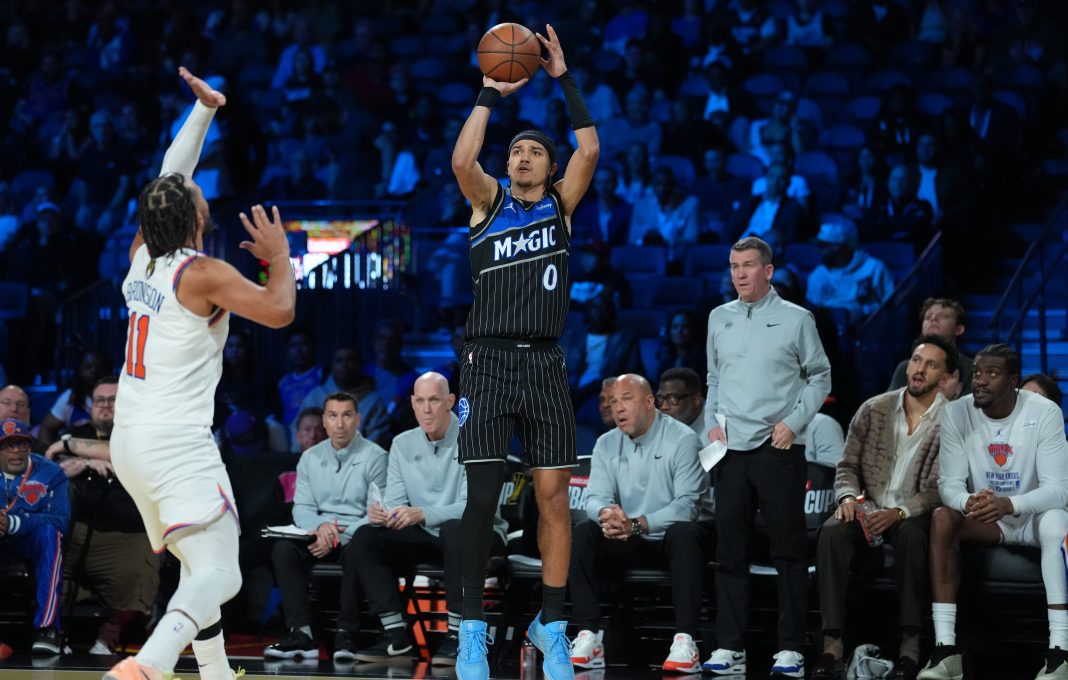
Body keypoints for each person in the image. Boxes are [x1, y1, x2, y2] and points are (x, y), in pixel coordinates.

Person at [104, 68, 296, 680]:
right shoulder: (201, 272)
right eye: (197, 194)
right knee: (222, 571)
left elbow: (170, 174)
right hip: (175, 443)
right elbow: (280, 311)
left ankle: (215, 674)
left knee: (196, 563)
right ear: (193, 217)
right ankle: (148, 667)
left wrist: (204, 111)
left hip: (129, 444)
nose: (203, 194)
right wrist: (279, 258)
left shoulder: (140, 258)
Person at [450, 22, 599, 680]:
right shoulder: (488, 204)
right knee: (481, 498)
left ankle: (555, 624)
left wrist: (562, 77)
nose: (522, 158)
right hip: (486, 360)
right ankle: (472, 634)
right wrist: (487, 93)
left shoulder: (561, 208)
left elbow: (590, 148)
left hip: (543, 360)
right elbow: (461, 162)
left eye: (533, 151)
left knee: (554, 498)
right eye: (515, 151)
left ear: (548, 164)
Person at [703, 236, 832, 679]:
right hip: (730, 451)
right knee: (730, 553)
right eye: (734, 265)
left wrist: (793, 423)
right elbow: (713, 379)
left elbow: (820, 376)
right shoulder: (718, 317)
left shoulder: (798, 319)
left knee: (789, 553)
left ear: (769, 270)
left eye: (748, 266)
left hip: (778, 449)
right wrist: (711, 423)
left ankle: (791, 649)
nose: (739, 273)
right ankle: (729, 647)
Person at [917, 344, 1068, 680]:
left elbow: (1059, 489)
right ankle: (946, 651)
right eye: (978, 372)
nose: (980, 381)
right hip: (990, 518)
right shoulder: (957, 412)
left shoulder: (1044, 412)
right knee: (943, 516)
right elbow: (950, 484)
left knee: (1059, 522)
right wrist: (967, 502)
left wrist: (1009, 503)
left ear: (1013, 380)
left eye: (992, 373)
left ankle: (1060, 652)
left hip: (1035, 516)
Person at [812, 335, 958, 680]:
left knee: (910, 536)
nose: (920, 370)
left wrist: (901, 511)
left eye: (931, 364)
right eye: (916, 360)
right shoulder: (873, 408)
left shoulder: (954, 421)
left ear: (947, 377)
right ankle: (832, 645)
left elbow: (946, 486)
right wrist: (848, 498)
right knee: (832, 531)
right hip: (867, 508)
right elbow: (846, 466)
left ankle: (910, 646)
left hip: (914, 514)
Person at [351, 373, 507, 666]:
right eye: (420, 401)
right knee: (366, 536)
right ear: (411, 403)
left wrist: (422, 513)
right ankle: (396, 634)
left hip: (479, 534)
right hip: (427, 534)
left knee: (456, 528)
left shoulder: (477, 439)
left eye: (434, 400)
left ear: (450, 402)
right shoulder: (401, 443)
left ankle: (458, 634)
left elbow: (476, 506)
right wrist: (386, 513)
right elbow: (396, 499)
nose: (426, 409)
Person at [569, 374, 714, 672]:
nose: (617, 408)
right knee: (584, 531)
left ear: (650, 402)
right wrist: (607, 516)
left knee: (686, 533)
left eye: (626, 399)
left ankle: (686, 641)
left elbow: (688, 506)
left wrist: (637, 523)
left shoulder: (683, 439)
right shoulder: (606, 443)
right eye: (612, 401)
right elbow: (594, 497)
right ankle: (588, 636)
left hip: (668, 540)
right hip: (628, 538)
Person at [264, 392, 387, 663]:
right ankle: (303, 633)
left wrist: (337, 535)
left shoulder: (376, 456)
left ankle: (347, 632)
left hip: (355, 536)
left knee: (362, 548)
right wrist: (321, 526)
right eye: (333, 416)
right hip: (320, 534)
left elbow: (377, 513)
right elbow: (302, 508)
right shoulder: (309, 458)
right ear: (325, 420)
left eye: (346, 415)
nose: (340, 424)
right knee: (283, 549)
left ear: (358, 419)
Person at [48, 377, 159, 656]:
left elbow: (140, 464)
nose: (106, 407)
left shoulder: (142, 435)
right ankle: (51, 633)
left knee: (143, 564)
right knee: (43, 555)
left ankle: (108, 634)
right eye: (100, 401)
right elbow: (48, 464)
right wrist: (84, 463)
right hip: (74, 528)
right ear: (91, 407)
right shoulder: (75, 434)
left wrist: (87, 455)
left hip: (127, 534)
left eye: (114, 400)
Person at [0, 419, 69, 655]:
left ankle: (47, 628)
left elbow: (61, 519)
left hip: (28, 541)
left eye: (21, 444)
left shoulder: (51, 473)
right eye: (8, 445)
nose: (16, 451)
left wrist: (15, 522)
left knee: (51, 533)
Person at [301, 346, 391, 449]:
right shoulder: (315, 396)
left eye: (351, 360)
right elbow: (299, 433)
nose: (344, 365)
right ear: (332, 366)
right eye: (339, 360)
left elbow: (376, 441)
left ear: (360, 365)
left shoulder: (373, 402)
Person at [805, 221, 895, 323]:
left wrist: (865, 310)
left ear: (837, 247)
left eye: (822, 246)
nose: (817, 251)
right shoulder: (817, 276)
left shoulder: (874, 268)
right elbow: (814, 313)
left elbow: (890, 303)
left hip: (872, 327)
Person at [888, 298, 973, 395]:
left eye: (943, 316)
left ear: (958, 329)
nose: (933, 318)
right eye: (928, 317)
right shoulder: (904, 368)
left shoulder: (970, 370)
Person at [656, 367, 706, 437]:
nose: (664, 407)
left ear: (696, 400)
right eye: (660, 398)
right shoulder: (660, 430)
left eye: (672, 398)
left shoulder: (718, 430)